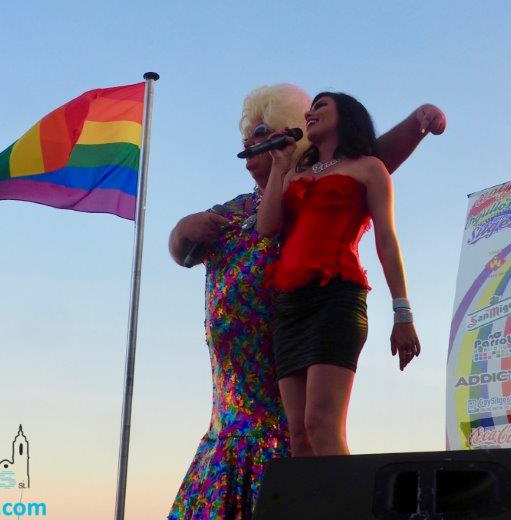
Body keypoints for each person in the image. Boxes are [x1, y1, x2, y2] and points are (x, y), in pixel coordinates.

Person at [167, 84, 445, 519]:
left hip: (325, 307)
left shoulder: (345, 172)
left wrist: (418, 121)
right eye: (248, 137)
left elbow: (373, 170)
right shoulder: (260, 196)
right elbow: (198, 247)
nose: (251, 144)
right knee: (301, 436)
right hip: (248, 379)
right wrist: (182, 229)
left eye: (263, 132)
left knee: (320, 428)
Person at [257, 91, 420, 458]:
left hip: (336, 297)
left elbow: (387, 241)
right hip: (289, 307)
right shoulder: (294, 172)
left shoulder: (369, 167)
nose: (309, 114)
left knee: (321, 425)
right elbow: (266, 227)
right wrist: (280, 166)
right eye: (309, 109)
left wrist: (403, 313)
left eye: (320, 106)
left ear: (346, 115)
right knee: (298, 435)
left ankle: (346, 493)